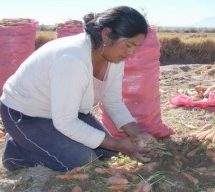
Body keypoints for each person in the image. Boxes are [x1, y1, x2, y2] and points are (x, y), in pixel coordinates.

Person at [0, 6, 155, 172]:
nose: (130, 53)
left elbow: (113, 101)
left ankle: (37, 141)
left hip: (66, 112)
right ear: (107, 35)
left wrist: (137, 133)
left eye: (135, 47)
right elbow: (65, 122)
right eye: (129, 45)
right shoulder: (72, 59)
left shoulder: (114, 58)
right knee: (85, 162)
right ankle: (17, 152)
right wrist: (117, 143)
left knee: (107, 152)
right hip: (26, 116)